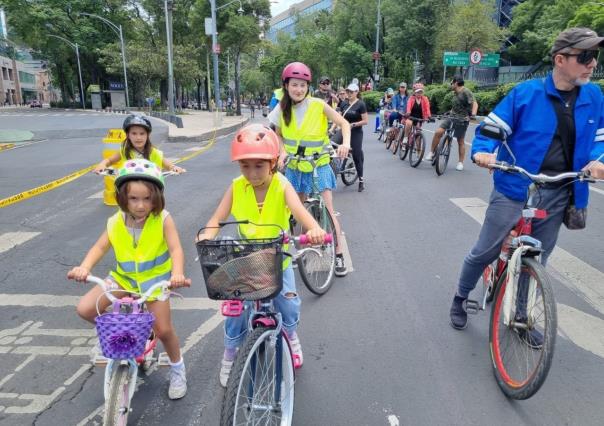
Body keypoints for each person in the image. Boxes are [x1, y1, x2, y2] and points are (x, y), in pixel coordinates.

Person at [449, 28, 604, 339]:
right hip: (516, 186)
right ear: (560, 59)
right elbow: (490, 131)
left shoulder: (594, 96)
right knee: (486, 250)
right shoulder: (526, 94)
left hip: (562, 190)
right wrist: (482, 154)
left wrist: (599, 159)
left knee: (539, 258)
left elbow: (600, 138)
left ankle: (520, 315)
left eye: (595, 56)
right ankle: (461, 297)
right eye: (585, 56)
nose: (592, 64)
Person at [196, 124, 327, 386]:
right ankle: (231, 352)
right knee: (235, 308)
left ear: (273, 162)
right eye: (245, 166)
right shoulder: (236, 187)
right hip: (245, 257)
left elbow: (300, 212)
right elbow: (216, 219)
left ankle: (290, 334)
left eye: (259, 165)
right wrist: (206, 235)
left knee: (287, 302)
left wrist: (314, 229)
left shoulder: (282, 185)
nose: (252, 173)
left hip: (278, 256)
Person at [67, 159, 191, 399]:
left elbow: (176, 249)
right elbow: (100, 246)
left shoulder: (163, 219)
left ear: (156, 197)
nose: (141, 205)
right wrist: (84, 267)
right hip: (123, 279)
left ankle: (178, 369)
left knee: (164, 330)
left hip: (155, 281)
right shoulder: (114, 221)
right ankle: (119, 334)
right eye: (134, 199)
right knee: (85, 309)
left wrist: (177, 274)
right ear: (123, 197)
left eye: (147, 198)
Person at [268, 62, 352, 276]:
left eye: (303, 85)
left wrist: (345, 144)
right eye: (295, 85)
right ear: (286, 86)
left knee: (328, 209)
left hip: (319, 164)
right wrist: (283, 151)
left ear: (308, 87)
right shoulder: (281, 109)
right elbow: (278, 134)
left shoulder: (317, 104)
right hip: (296, 167)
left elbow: (344, 124)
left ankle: (339, 254)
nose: (299, 89)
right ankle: (304, 251)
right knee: (301, 210)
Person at [94, 115, 186, 174]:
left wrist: (174, 167)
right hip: (129, 190)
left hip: (149, 190)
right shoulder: (124, 151)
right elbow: (109, 160)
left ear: (147, 135)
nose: (138, 137)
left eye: (142, 134)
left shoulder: (153, 152)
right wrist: (102, 165)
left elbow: (166, 164)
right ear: (127, 135)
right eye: (134, 133)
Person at [426, 75, 477, 171]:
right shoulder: (455, 93)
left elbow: (474, 103)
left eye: (451, 83)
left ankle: (460, 162)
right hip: (452, 117)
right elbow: (457, 105)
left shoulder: (466, 92)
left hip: (462, 120)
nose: (451, 85)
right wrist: (449, 111)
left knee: (460, 141)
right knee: (438, 132)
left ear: (456, 83)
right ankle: (432, 152)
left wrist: (473, 115)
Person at [337, 83, 369, 192]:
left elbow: (365, 121)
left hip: (356, 132)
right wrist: (332, 129)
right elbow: (339, 118)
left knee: (356, 154)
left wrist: (354, 124)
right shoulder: (344, 103)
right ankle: (334, 169)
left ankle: (361, 180)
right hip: (344, 131)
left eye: (351, 92)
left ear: (356, 92)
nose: (349, 93)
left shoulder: (361, 104)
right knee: (331, 146)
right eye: (348, 91)